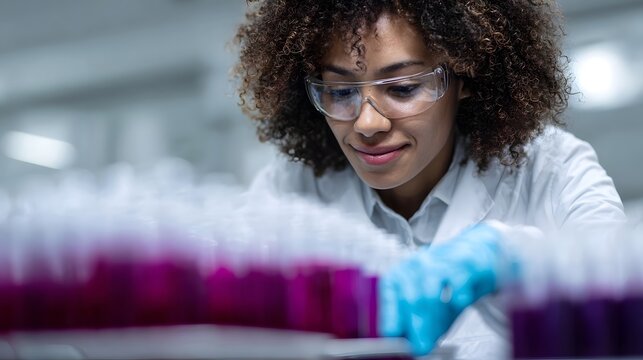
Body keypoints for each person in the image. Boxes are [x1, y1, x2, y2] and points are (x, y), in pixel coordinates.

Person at [233, 0, 626, 358]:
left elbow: (621, 307)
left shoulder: (551, 169)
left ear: (467, 76)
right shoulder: (289, 193)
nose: (367, 124)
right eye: (340, 92)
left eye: (403, 88)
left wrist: (512, 257)